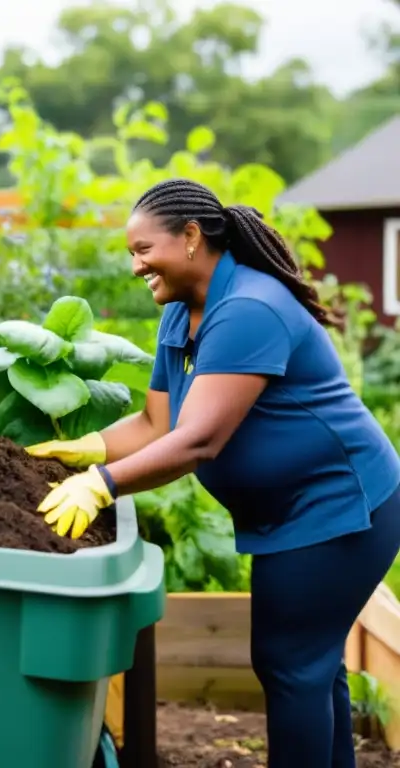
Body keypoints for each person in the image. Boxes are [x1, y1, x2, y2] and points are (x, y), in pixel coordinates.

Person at [27, 178, 400, 767]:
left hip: (341, 505)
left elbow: (198, 439)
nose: (135, 266)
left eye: (144, 250)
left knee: (290, 663)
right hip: (297, 511)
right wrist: (90, 448)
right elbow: (156, 424)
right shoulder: (182, 315)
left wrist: (104, 485)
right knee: (308, 663)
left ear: (193, 236)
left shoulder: (250, 307)